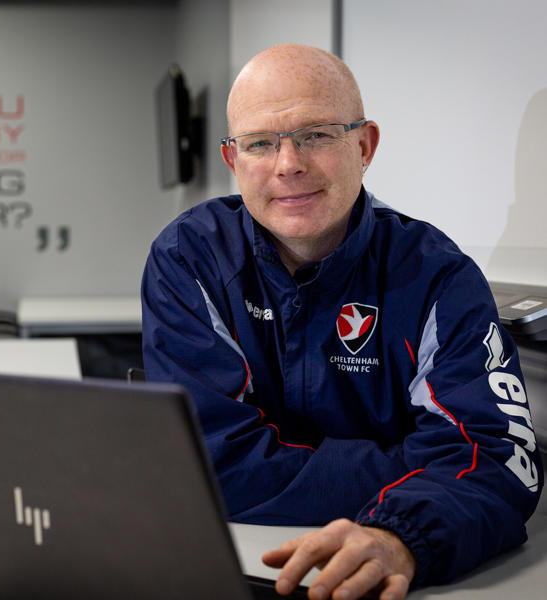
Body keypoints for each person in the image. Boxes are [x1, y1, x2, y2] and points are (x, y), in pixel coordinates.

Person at [141, 43, 543, 600]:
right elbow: (210, 463)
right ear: (234, 161)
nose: (288, 164)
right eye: (260, 143)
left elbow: (498, 464)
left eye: (316, 135)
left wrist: (403, 534)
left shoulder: (437, 278)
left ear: (364, 145)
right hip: (230, 563)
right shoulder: (190, 258)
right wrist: (415, 468)